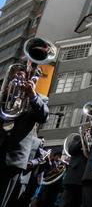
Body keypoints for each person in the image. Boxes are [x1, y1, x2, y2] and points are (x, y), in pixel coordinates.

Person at [0, 75, 49, 207]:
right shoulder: (4, 94)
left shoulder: (40, 98)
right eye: (17, 74)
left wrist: (32, 96)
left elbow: (43, 117)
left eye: (25, 74)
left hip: (13, 158)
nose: (19, 77)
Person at [61, 135, 87, 207]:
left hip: (85, 179)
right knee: (67, 203)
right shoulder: (78, 138)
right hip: (73, 177)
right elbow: (72, 149)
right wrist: (84, 138)